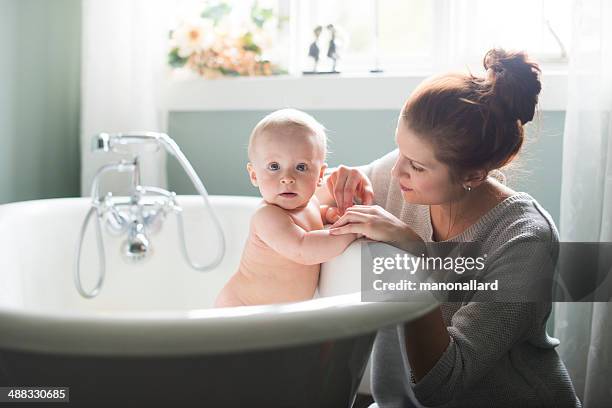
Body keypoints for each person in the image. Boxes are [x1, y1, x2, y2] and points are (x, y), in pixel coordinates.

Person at [318, 49, 581, 407]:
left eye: (417, 166)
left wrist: (415, 257)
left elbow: (443, 384)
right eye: (399, 151)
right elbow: (316, 202)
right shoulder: (400, 177)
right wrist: (335, 186)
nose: (396, 174)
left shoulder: (524, 240)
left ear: (472, 175)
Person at [215, 109, 356, 307]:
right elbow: (303, 249)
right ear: (254, 175)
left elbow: (315, 216)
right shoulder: (267, 216)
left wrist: (329, 214)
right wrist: (351, 232)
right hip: (242, 308)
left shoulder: (311, 203)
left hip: (272, 315)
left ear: (320, 175)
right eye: (274, 166)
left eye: (301, 167)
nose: (287, 178)